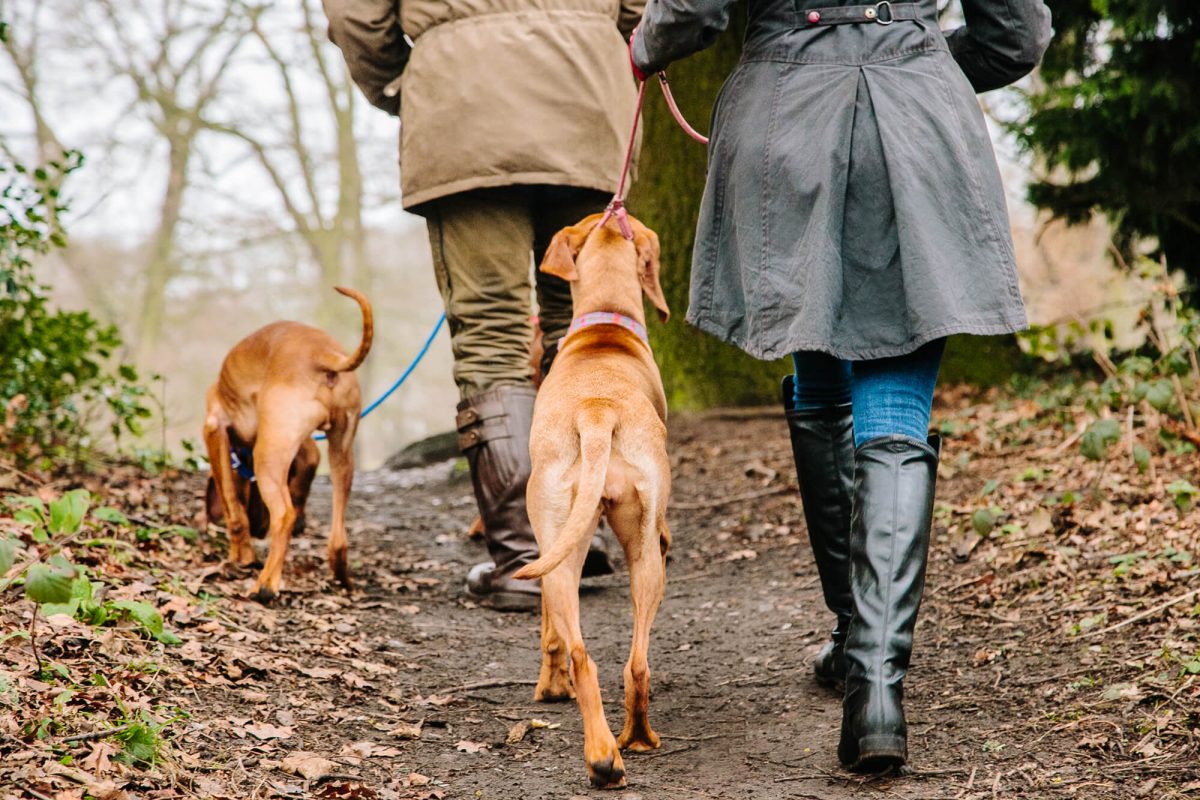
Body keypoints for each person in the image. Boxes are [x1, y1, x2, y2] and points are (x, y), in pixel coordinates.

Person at [630, 0, 1051, 771]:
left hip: (786, 117)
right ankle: (875, 691)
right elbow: (1017, 35)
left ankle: (857, 636)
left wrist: (645, 45)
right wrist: (912, 56)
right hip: (918, 115)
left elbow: (694, 10)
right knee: (894, 388)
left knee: (817, 349)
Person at [323, 0, 645, 610]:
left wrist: (403, 83)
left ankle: (526, 555)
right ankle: (581, 529)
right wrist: (601, 53)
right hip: (588, 105)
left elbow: (356, 18)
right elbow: (640, 10)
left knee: (490, 332)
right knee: (584, 327)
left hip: (462, 110)